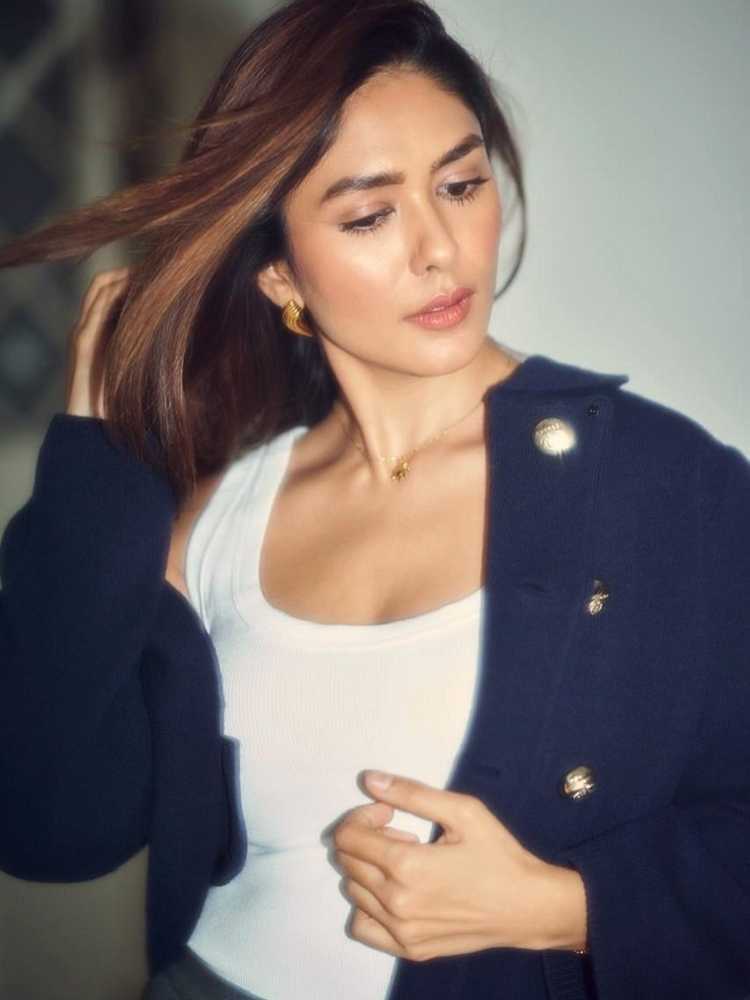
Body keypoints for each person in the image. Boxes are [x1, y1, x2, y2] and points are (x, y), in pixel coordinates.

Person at [0, 1, 748, 998]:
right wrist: (94, 464)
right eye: (369, 215)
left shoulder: (668, 488)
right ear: (280, 275)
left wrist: (566, 907)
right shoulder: (216, 519)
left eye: (461, 184)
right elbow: (50, 824)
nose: (438, 249)